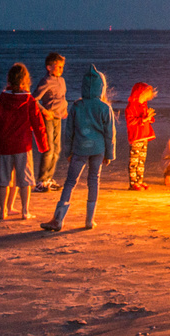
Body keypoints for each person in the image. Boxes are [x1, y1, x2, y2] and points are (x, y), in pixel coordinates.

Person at [41, 64, 117, 233]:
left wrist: (68, 151)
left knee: (70, 182)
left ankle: (59, 218)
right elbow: (110, 134)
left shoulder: (77, 105)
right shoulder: (105, 108)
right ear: (101, 88)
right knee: (93, 181)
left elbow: (69, 131)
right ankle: (89, 220)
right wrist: (109, 154)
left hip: (80, 149)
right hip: (98, 149)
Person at [0, 63, 48, 220]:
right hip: (23, 145)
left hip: (5, 146)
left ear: (9, 80)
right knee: (25, 179)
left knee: (4, 179)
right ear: (25, 80)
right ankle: (25, 211)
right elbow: (38, 125)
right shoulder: (28, 100)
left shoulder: (0, 101)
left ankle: (2, 211)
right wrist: (43, 145)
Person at [33, 53, 67, 191]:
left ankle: (49, 178)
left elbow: (62, 98)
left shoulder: (62, 80)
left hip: (58, 118)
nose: (60, 69)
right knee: (49, 149)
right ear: (49, 67)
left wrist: (64, 109)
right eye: (58, 66)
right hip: (48, 118)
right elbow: (34, 99)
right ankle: (41, 180)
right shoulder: (46, 81)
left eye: (62, 67)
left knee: (57, 149)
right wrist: (44, 111)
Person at [125, 83, 157, 190]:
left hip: (144, 136)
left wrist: (148, 117)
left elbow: (146, 119)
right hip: (136, 136)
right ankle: (133, 183)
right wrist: (143, 120)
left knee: (141, 160)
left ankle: (139, 180)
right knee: (134, 160)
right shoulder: (131, 106)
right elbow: (130, 121)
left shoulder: (144, 105)